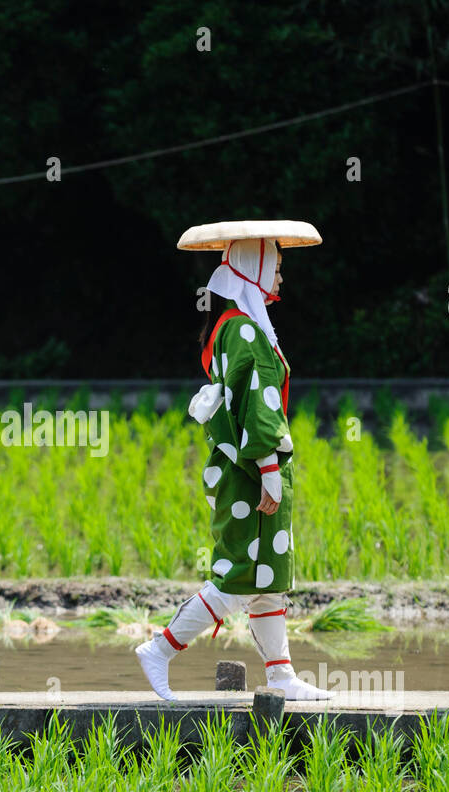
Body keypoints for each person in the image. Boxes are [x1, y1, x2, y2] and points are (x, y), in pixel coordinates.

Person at [135, 221, 331, 702]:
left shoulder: (230, 324)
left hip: (241, 465)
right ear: (256, 266)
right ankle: (161, 648)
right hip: (250, 467)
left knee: (267, 577)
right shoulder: (243, 328)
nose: (281, 279)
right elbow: (256, 400)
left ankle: (281, 674)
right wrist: (267, 467)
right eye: (277, 268)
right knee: (241, 573)